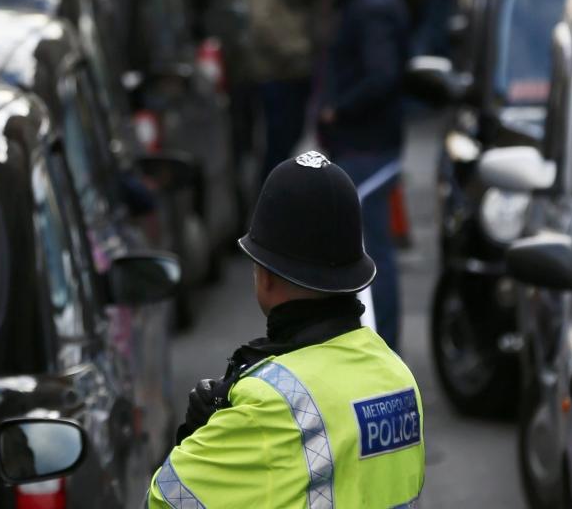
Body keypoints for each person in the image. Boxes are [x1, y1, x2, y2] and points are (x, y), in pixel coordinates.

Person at [151, 153, 425, 507]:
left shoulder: (270, 403)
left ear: (264, 275)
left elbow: (163, 501)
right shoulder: (398, 377)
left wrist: (198, 436)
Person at [306, 0, 409, 351]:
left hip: (368, 146)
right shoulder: (360, 2)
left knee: (371, 258)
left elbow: (382, 75)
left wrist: (338, 108)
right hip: (360, 145)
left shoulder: (370, 8)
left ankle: (383, 350)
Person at [239, 0, 312, 174]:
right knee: (278, 144)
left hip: (291, 68)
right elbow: (262, 20)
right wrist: (295, 51)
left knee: (287, 140)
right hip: (277, 70)